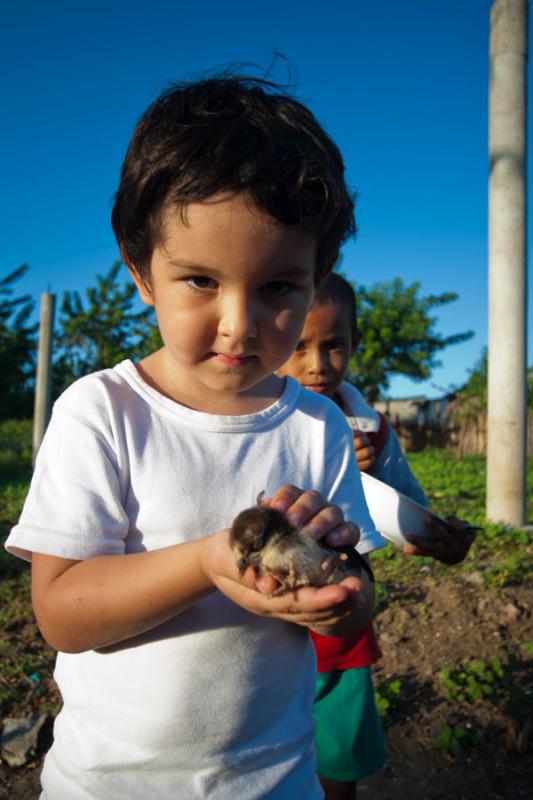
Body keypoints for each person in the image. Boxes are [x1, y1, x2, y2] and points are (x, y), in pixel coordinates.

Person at [5, 77, 388, 800]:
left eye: (277, 287)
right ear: (140, 269)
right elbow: (61, 613)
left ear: (316, 280)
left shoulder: (318, 424)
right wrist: (208, 563)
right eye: (201, 280)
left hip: (276, 782)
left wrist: (339, 596)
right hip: (108, 787)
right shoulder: (104, 412)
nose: (240, 323)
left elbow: (359, 589)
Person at [278, 272, 477, 800]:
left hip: (342, 627)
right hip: (265, 633)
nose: (317, 364)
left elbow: (409, 509)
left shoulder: (370, 428)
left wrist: (374, 481)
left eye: (333, 345)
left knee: (338, 759)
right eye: (298, 345)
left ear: (354, 344)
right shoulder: (253, 416)